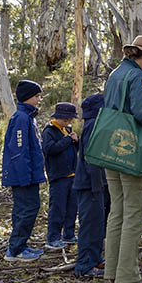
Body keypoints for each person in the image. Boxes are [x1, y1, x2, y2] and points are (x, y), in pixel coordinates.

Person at [103, 35, 142, 283]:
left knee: (117, 211)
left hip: (110, 149)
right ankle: (127, 277)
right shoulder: (138, 78)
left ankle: (111, 272)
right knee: (134, 214)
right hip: (132, 152)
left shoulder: (115, 74)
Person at [1, 80, 46, 262]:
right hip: (23, 177)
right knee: (28, 208)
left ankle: (20, 245)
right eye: (36, 96)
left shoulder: (29, 118)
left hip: (29, 174)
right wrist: (24, 176)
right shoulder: (21, 118)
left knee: (25, 209)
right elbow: (19, 151)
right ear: (27, 97)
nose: (39, 100)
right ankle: (16, 249)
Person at [74, 94, 108, 277]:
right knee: (90, 225)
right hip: (89, 185)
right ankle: (85, 265)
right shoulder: (93, 125)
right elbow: (91, 158)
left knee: (97, 225)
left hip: (95, 184)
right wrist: (97, 185)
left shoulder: (94, 124)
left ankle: (94, 259)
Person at [42, 102, 80, 249]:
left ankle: (69, 235)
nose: (68, 122)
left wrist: (76, 141)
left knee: (72, 207)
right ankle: (53, 238)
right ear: (57, 117)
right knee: (57, 208)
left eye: (70, 120)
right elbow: (50, 149)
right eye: (65, 120)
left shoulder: (67, 130)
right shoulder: (49, 131)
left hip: (72, 174)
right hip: (58, 176)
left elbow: (74, 149)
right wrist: (68, 140)